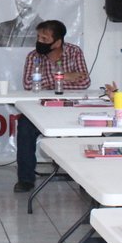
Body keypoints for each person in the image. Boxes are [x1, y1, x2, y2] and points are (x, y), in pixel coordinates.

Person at [13, 20, 91, 192]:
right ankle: (25, 179)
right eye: (39, 37)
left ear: (57, 42)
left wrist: (47, 82)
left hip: (70, 109)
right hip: (40, 109)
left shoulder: (74, 52)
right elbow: (28, 85)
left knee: (88, 130)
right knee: (25, 128)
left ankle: (86, 181)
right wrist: (63, 76)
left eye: (44, 38)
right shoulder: (34, 56)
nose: (39, 41)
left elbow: (84, 81)